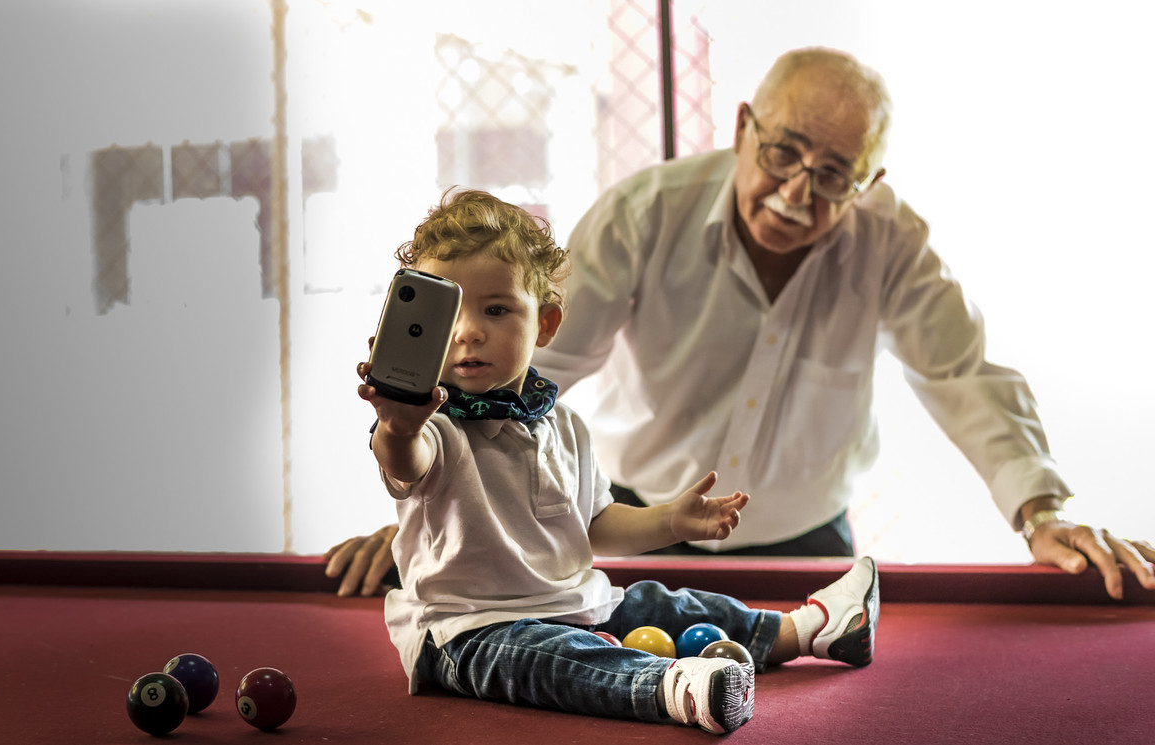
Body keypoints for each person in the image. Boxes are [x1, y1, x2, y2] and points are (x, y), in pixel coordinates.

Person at [328, 46, 1154, 600]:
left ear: (870, 181)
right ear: (742, 128)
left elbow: (962, 372)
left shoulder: (892, 240)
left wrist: (1044, 511)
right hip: (626, 521)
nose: (798, 193)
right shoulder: (645, 213)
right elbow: (532, 364)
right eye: (785, 153)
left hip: (806, 539)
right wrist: (436, 502)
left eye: (834, 175)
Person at [355, 188, 881, 734]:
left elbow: (596, 528)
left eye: (496, 308)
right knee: (544, 657)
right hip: (466, 633)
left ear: (547, 324)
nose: (469, 330)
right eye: (451, 314)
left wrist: (671, 520)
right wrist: (398, 422)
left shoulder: (564, 426)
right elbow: (405, 461)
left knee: (662, 604)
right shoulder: (433, 427)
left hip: (572, 604)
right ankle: (672, 687)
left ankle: (811, 629)